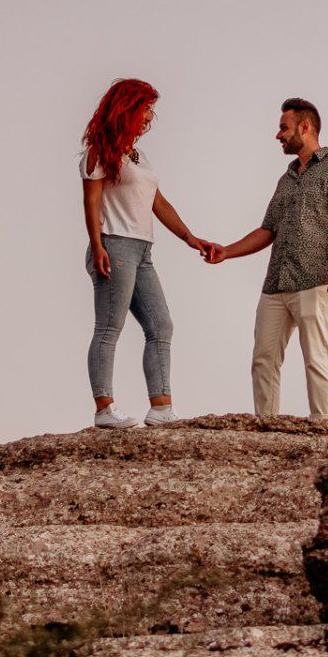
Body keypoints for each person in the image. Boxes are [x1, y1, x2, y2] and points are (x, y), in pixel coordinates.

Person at [203, 97, 328, 421]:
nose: (278, 135)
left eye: (283, 128)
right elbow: (268, 230)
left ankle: (324, 427)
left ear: (304, 127)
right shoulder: (286, 179)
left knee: (316, 357)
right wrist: (227, 251)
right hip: (276, 283)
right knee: (263, 358)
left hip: (315, 279)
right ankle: (267, 425)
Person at [81, 78, 211, 429]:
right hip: (114, 244)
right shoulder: (99, 151)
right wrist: (98, 245)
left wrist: (190, 238)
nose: (150, 117)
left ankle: (161, 408)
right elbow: (91, 202)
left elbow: (158, 203)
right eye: (146, 109)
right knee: (109, 326)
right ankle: (104, 408)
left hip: (142, 250)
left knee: (160, 324)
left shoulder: (138, 156)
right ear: (127, 108)